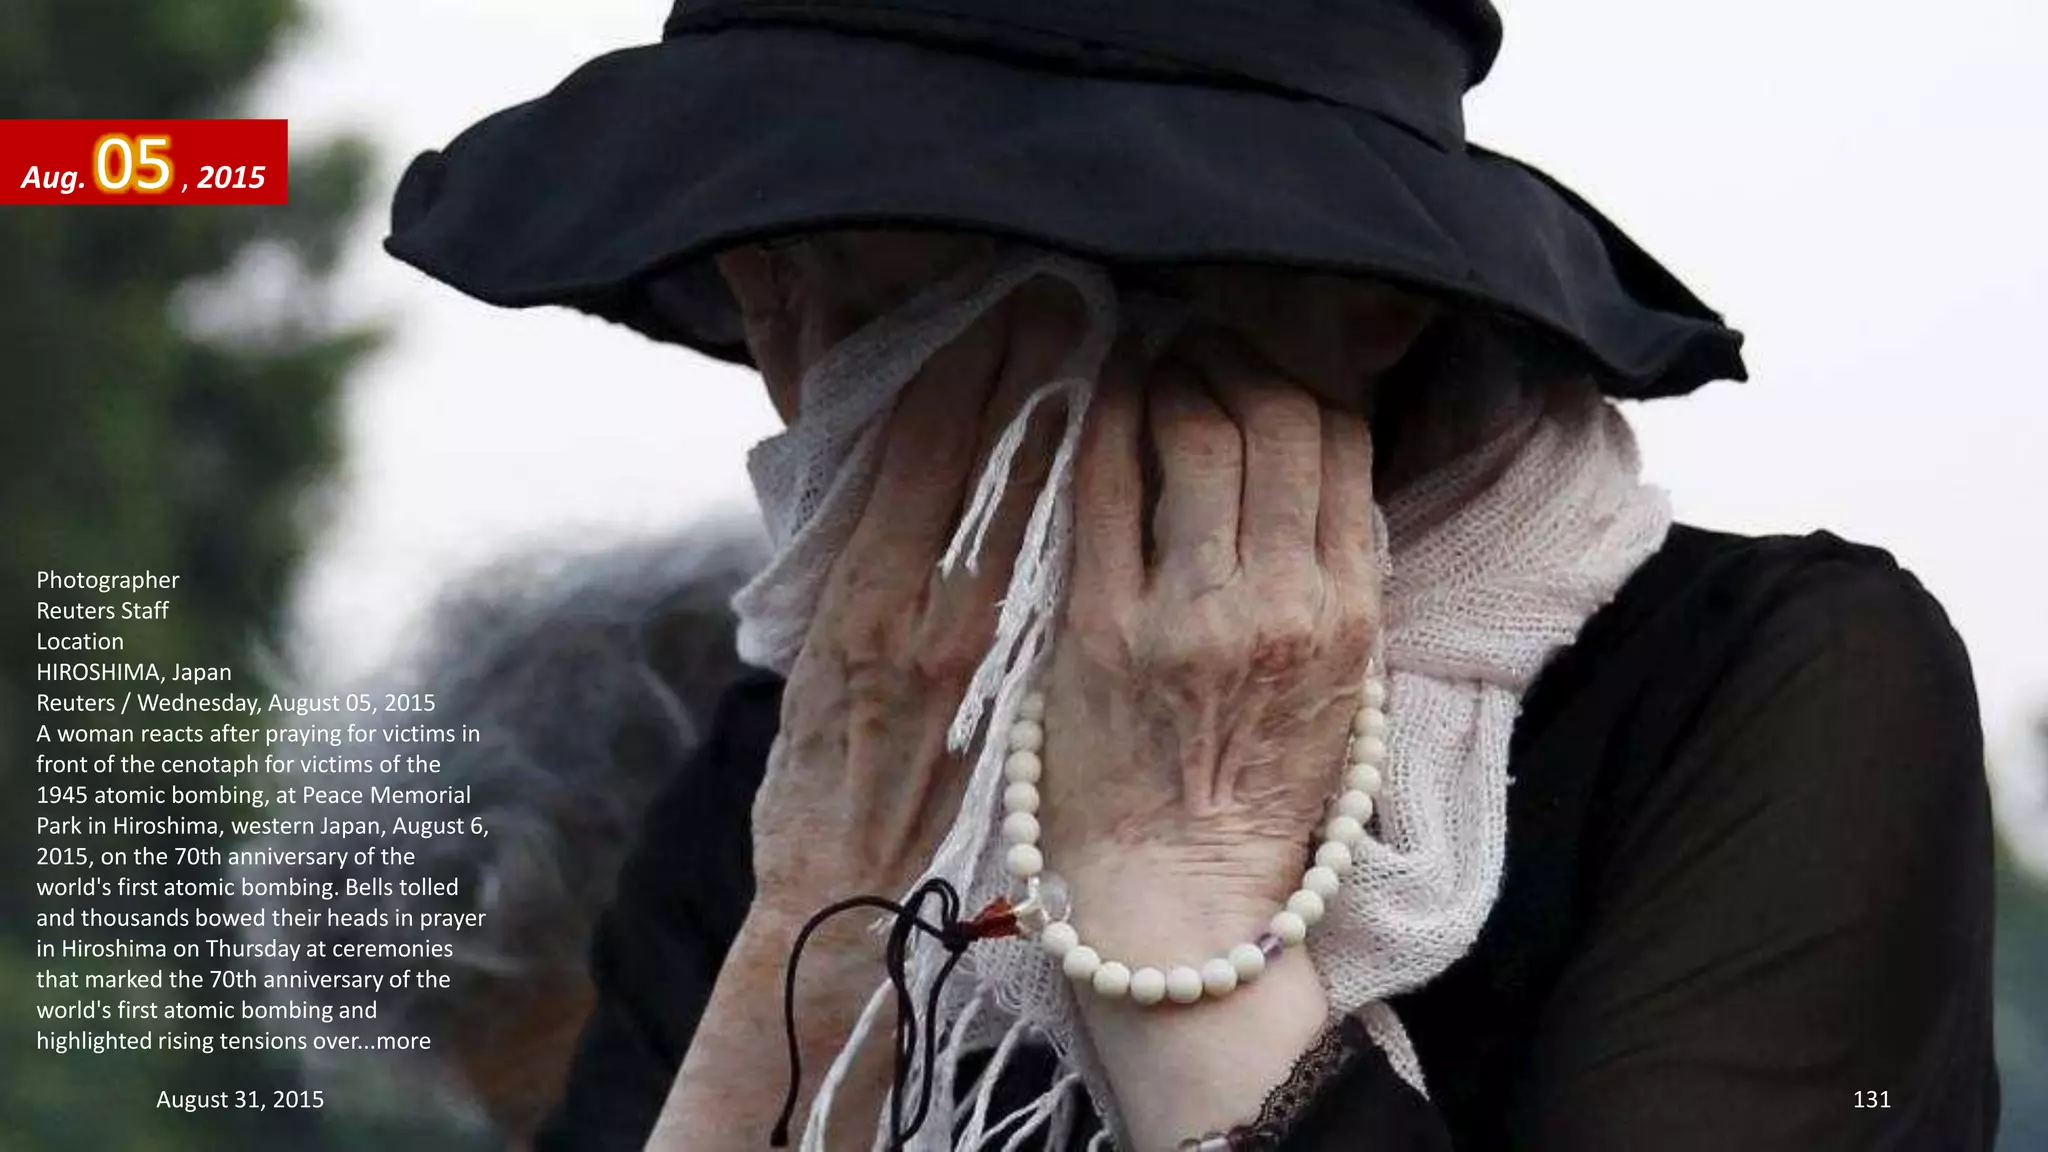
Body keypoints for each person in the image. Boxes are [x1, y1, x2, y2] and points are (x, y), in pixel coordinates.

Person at [385, 3, 1999, 1149]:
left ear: (1351, 311)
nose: (799, 368)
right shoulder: (793, 748)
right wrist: (824, 895)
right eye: (765, 275)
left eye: (891, 275)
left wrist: (1179, 886)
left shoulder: (1762, 697)